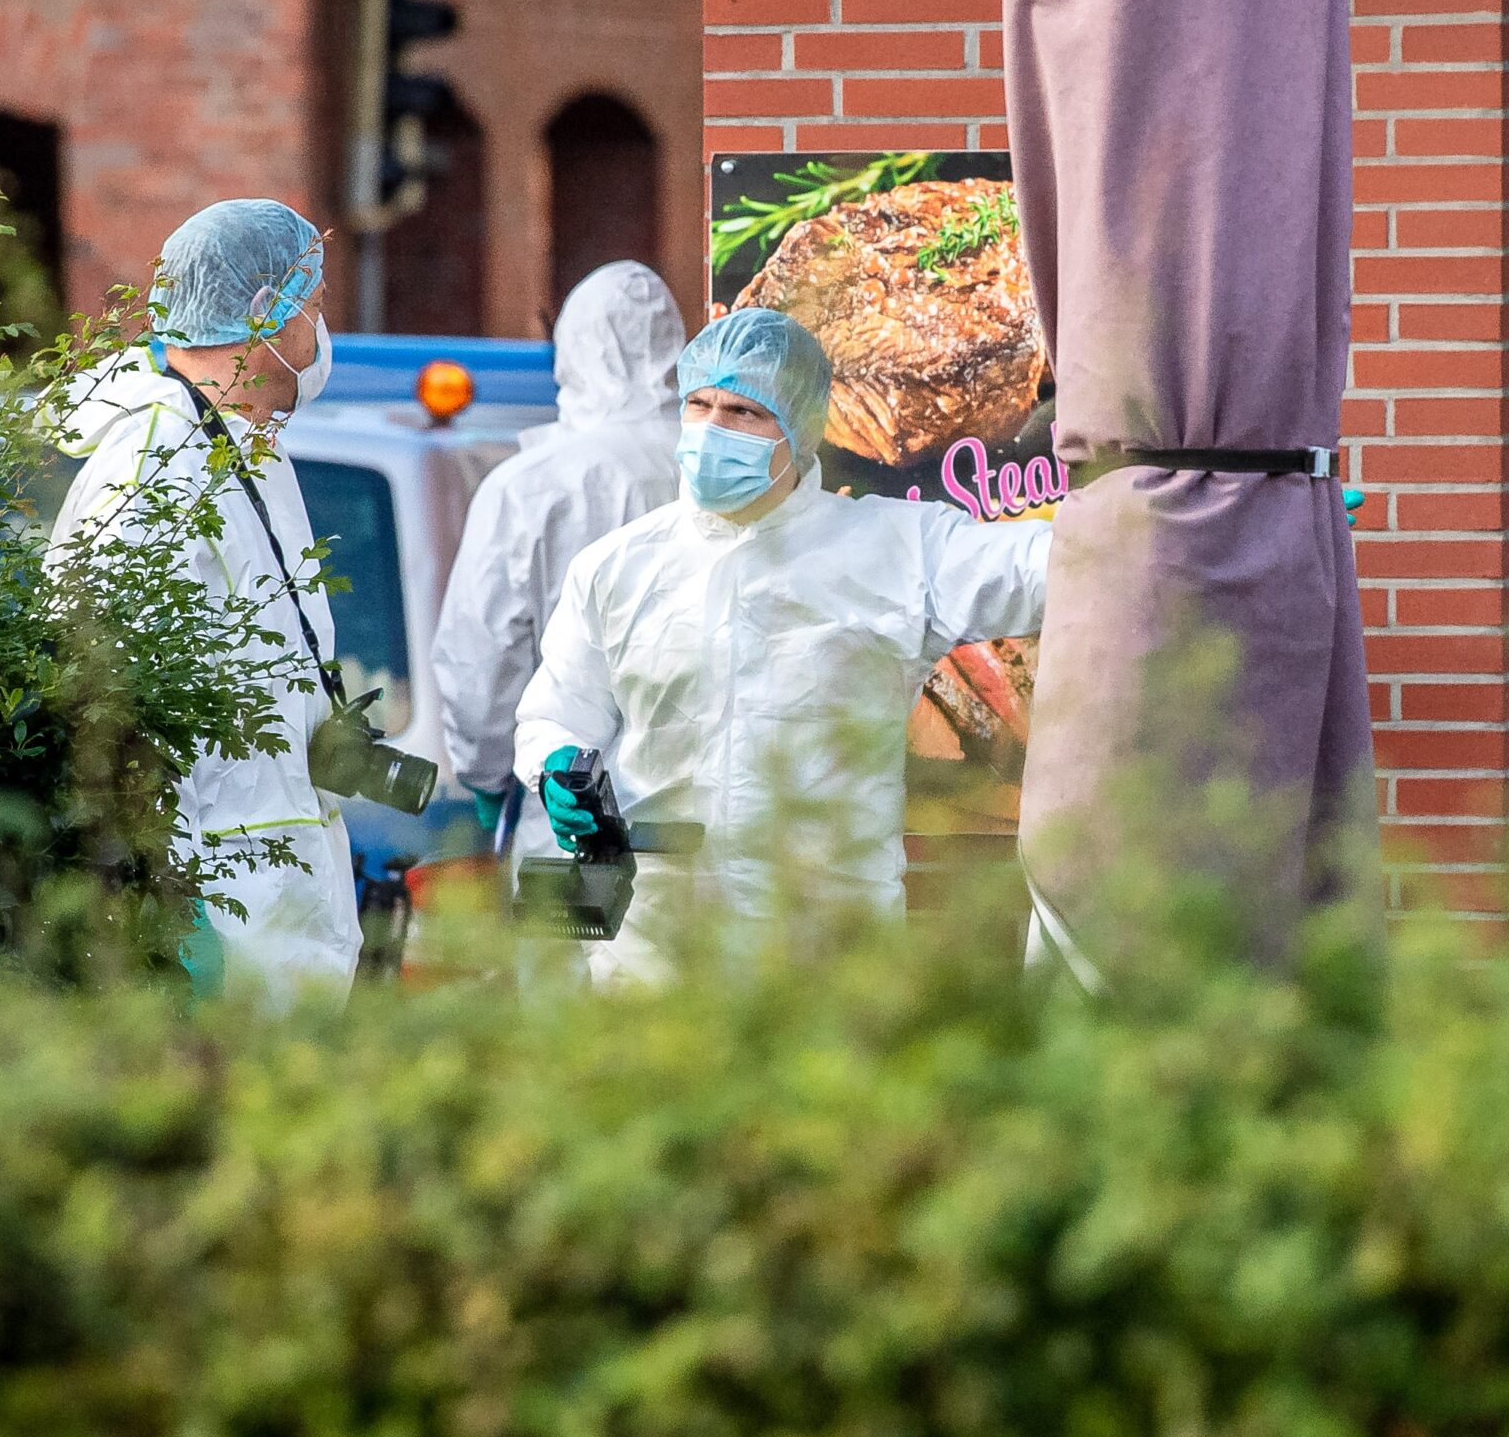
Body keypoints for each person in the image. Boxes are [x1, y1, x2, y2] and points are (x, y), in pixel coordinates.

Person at [512, 308, 1052, 980]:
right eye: (699, 405)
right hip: (656, 961)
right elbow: (555, 712)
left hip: (828, 964)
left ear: (799, 428)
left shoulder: (895, 549)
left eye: (743, 412)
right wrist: (559, 763)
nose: (713, 430)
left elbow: (1047, 564)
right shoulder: (618, 568)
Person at [50, 199, 361, 1002]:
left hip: (280, 918)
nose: (320, 334)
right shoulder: (158, 465)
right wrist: (166, 914)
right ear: (264, 317)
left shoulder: (245, 448)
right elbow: (106, 697)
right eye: (314, 307)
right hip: (222, 923)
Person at [430, 261, 686, 863]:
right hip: (707, 814)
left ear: (571, 349)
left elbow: (481, 660)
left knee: (576, 954)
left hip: (568, 809)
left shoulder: (530, 485)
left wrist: (486, 777)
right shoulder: (724, 468)